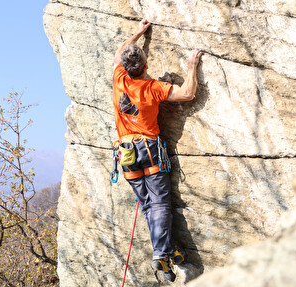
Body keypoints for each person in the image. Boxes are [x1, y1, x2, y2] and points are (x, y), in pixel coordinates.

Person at [112, 19, 202, 282]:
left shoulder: (118, 78)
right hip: (149, 149)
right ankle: (161, 255)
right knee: (160, 203)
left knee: (149, 204)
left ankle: (168, 249)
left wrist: (139, 32)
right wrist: (192, 66)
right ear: (146, 66)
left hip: (126, 152)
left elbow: (121, 52)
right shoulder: (153, 88)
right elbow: (187, 94)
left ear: (126, 67)